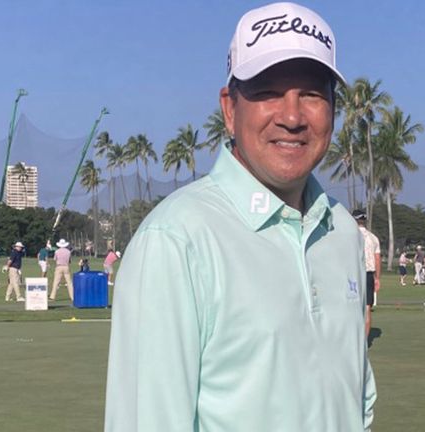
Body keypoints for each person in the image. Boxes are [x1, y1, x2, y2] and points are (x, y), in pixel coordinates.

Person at [105, 3, 376, 430]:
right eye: (268, 91)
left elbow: (355, 401)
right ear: (230, 109)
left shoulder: (341, 229)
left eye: (311, 93)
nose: (292, 117)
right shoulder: (176, 239)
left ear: (333, 110)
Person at [354, 209, 381, 336]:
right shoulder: (373, 238)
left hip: (354, 274)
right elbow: (377, 259)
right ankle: (364, 343)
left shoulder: (350, 235)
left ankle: (354, 340)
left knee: (353, 307)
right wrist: (377, 278)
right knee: (367, 308)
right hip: (369, 275)